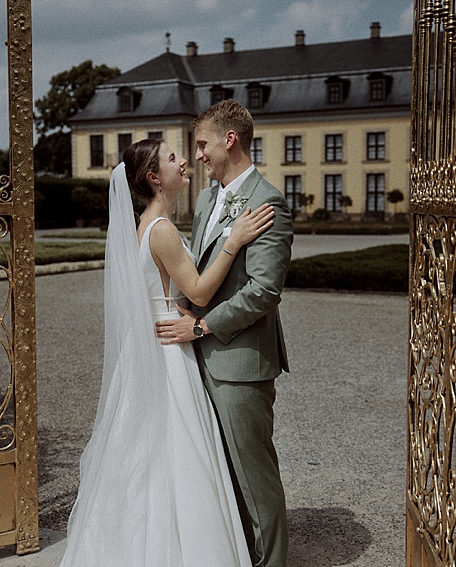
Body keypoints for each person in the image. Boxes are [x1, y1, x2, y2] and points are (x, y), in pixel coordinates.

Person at [59, 138, 275, 567]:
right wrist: (235, 239)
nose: (185, 161)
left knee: (149, 454)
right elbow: (196, 288)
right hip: (170, 355)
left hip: (152, 349)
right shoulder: (161, 230)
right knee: (180, 455)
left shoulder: (143, 226)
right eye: (174, 158)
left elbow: (165, 292)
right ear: (155, 178)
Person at [156, 99, 294, 567]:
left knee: (254, 476)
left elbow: (264, 292)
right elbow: (199, 266)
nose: (197, 156)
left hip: (240, 362)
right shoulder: (210, 198)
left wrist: (200, 325)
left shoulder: (267, 200)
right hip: (201, 356)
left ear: (228, 139)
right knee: (223, 473)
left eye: (201, 144)